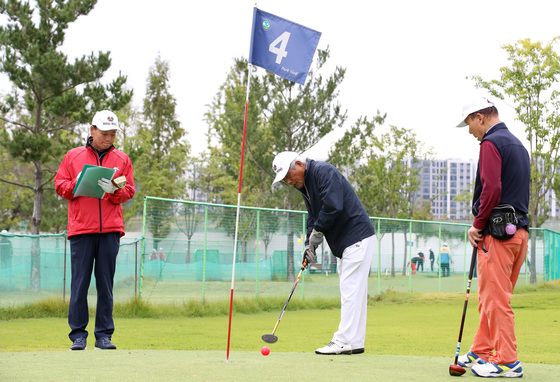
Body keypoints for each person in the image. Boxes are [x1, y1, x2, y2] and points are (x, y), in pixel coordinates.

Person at [271, 151, 375, 355]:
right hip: (349, 242)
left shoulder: (323, 172)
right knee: (355, 293)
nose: (288, 182)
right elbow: (313, 217)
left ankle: (343, 341)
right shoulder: (306, 185)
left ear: (299, 164)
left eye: (288, 177)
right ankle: (354, 341)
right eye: (284, 180)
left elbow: (333, 206)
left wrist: (318, 232)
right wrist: (310, 244)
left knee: (350, 292)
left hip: (356, 236)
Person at [455, 98, 530, 378]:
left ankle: (508, 361)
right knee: (492, 297)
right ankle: (482, 350)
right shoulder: (518, 145)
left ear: (480, 118)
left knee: (495, 300)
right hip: (518, 234)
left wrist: (477, 225)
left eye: (469, 124)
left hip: (497, 235)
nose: (469, 131)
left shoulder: (490, 144)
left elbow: (492, 189)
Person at [54, 110, 135, 351]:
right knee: (79, 284)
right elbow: (60, 185)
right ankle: (78, 335)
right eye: (104, 133)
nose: (108, 138)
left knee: (105, 284)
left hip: (110, 230)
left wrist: (114, 190)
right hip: (81, 229)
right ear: (92, 130)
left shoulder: (122, 159)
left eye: (112, 134)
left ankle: (104, 336)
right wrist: (76, 183)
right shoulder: (72, 156)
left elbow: (129, 190)